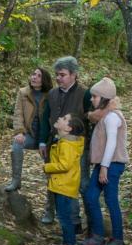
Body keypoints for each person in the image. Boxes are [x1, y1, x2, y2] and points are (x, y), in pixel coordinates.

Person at [38, 56, 92, 229]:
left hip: (77, 147)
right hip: (54, 145)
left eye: (62, 75)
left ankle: (89, 221)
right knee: (55, 180)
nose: (58, 78)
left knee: (81, 183)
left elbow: (92, 121)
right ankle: (62, 218)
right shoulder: (52, 94)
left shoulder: (85, 94)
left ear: (73, 74)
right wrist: (42, 142)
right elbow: (45, 118)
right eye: (56, 75)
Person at [79, 77, 129, 245]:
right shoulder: (104, 115)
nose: (92, 99)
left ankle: (118, 240)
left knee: (110, 200)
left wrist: (105, 168)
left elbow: (111, 143)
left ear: (105, 98)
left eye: (95, 97)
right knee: (91, 196)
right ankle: (98, 235)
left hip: (111, 165)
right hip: (103, 164)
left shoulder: (112, 117)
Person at [43, 113, 85, 245]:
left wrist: (47, 167)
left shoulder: (67, 144)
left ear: (68, 128)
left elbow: (64, 165)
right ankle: (72, 244)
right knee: (65, 215)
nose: (60, 118)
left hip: (64, 185)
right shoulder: (64, 142)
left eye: (64, 119)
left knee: (64, 217)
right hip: (63, 184)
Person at [5, 67, 52, 191]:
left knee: (52, 163)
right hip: (30, 134)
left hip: (46, 137)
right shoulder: (23, 92)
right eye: (33, 74)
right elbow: (18, 114)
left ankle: (52, 193)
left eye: (39, 75)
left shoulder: (51, 94)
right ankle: (16, 181)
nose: (34, 77)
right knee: (16, 145)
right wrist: (19, 132)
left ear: (45, 80)